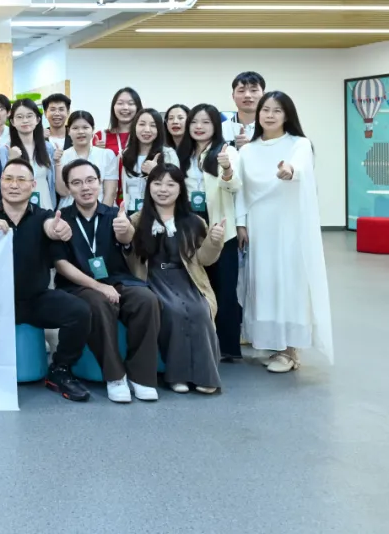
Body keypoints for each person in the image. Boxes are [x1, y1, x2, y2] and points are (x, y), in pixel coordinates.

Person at [0, 158, 91, 402]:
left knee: (79, 311)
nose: (14, 185)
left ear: (33, 185)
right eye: (8, 179)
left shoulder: (45, 216)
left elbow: (50, 227)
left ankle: (60, 369)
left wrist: (58, 230)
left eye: (21, 179)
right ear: (0, 183)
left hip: (36, 299)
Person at [52, 159, 162, 404]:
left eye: (90, 180)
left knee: (146, 300)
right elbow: (61, 264)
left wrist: (126, 234)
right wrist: (98, 286)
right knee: (97, 303)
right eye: (77, 183)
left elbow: (130, 246)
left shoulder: (114, 215)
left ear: (100, 182)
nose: (85, 187)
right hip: (78, 286)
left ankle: (142, 376)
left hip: (118, 280)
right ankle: (115, 376)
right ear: (68, 188)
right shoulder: (61, 219)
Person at [237, 91, 333, 373]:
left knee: (289, 283)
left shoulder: (299, 144)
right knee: (264, 284)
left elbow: (299, 167)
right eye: (265, 109)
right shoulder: (247, 150)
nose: (270, 115)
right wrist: (241, 223)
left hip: (289, 226)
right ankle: (275, 346)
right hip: (259, 226)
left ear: (287, 115)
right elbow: (240, 189)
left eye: (277, 110)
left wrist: (290, 171)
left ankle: (291, 350)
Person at [128, 165, 224, 394]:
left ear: (180, 188)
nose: (163, 189)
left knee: (200, 310)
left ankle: (205, 376)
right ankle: (177, 376)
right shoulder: (137, 220)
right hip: (154, 279)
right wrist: (124, 235)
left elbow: (204, 259)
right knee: (174, 311)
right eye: (157, 183)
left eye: (170, 184)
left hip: (188, 279)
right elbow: (129, 257)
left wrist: (214, 242)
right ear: (149, 187)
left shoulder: (194, 221)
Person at [178, 103, 244, 361]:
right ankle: (198, 341)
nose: (199, 127)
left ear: (215, 126)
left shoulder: (227, 151)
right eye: (195, 121)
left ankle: (226, 346)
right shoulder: (181, 154)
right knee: (195, 285)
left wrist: (226, 169)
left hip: (219, 225)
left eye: (206, 122)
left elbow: (235, 186)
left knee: (224, 285)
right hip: (189, 226)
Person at [0, 98, 56, 210]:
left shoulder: (48, 148)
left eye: (29, 116)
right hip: (18, 210)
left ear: (38, 119)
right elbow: (3, 185)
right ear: (12, 122)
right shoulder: (5, 150)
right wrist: (11, 161)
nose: (25, 120)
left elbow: (52, 183)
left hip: (46, 208)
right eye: (19, 117)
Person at [119, 108, 180, 214]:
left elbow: (176, 186)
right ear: (135, 127)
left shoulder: (168, 154)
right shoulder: (127, 154)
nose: (147, 130)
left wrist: (155, 171)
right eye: (142, 124)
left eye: (153, 125)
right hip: (131, 211)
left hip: (158, 213)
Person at [55, 111, 119, 208]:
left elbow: (110, 192)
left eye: (85, 127)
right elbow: (63, 192)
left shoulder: (107, 155)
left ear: (93, 129)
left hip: (102, 208)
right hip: (69, 210)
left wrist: (103, 214)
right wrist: (58, 164)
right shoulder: (61, 156)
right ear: (68, 131)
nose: (81, 132)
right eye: (75, 128)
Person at [94, 87, 142, 158]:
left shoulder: (144, 135)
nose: (125, 107)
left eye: (130, 103)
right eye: (120, 103)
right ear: (113, 107)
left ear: (137, 107)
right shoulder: (100, 136)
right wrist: (95, 152)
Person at [222, 71, 265, 150]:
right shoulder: (221, 129)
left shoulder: (271, 129)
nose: (247, 95)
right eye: (241, 91)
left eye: (253, 90)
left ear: (263, 95)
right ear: (233, 96)